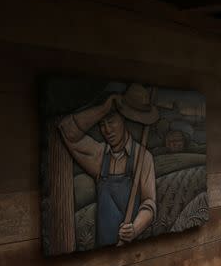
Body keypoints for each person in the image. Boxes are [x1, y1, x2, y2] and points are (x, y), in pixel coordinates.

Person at [59, 84, 158, 248]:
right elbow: (67, 129)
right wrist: (104, 109)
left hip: (133, 250)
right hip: (103, 252)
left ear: (124, 120)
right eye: (102, 124)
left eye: (111, 121)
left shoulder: (143, 157)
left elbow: (149, 203)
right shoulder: (99, 157)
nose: (107, 130)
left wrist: (135, 229)